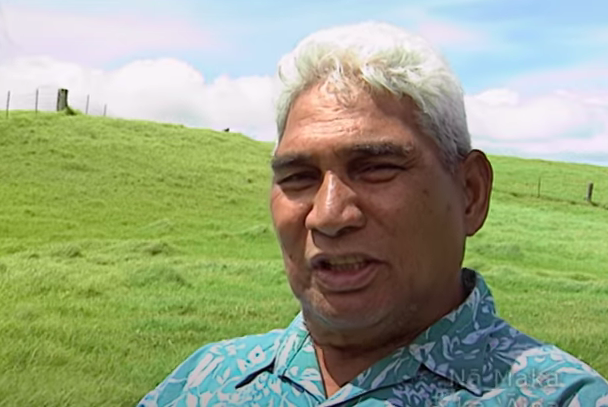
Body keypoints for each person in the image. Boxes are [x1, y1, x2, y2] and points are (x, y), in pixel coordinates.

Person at [138, 21, 608, 406]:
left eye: (376, 168)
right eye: (298, 176)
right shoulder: (203, 383)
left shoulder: (561, 398)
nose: (328, 215)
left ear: (469, 193)